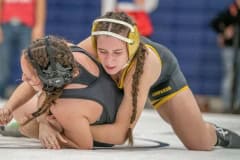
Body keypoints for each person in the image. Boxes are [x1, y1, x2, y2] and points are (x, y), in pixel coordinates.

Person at [77, 11, 240, 149]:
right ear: (94, 43)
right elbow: (54, 74)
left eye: (117, 52)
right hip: (127, 79)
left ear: (132, 47)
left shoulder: (142, 67)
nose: (109, 61)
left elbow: (121, 134)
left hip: (163, 78)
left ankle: (218, 134)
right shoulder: (87, 48)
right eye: (102, 51)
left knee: (199, 143)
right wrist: (50, 126)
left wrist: (71, 129)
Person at [0, 35, 124, 149]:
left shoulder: (65, 108)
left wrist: (46, 131)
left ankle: (34, 128)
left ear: (47, 79)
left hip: (95, 131)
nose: (23, 79)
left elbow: (84, 145)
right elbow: (42, 90)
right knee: (19, 107)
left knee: (26, 126)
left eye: (28, 76)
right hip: (102, 104)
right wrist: (9, 108)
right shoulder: (65, 53)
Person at [0, 0, 46, 98]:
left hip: (27, 26)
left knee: (30, 63)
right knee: (2, 62)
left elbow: (40, 4)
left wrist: (39, 26)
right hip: (5, 25)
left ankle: (28, 96)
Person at [211, 0, 240, 113]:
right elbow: (215, 23)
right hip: (230, 48)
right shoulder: (231, 10)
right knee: (230, 75)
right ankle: (227, 105)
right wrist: (223, 31)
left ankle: (237, 105)